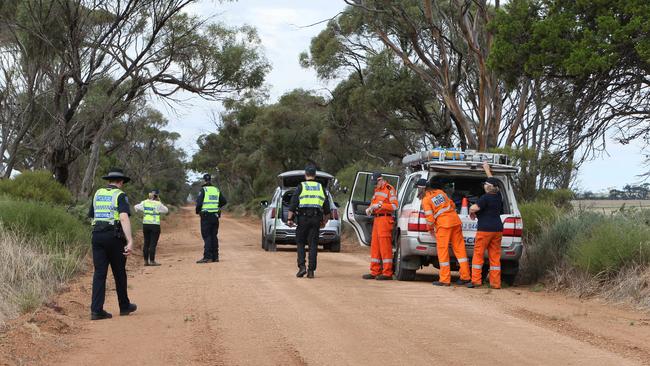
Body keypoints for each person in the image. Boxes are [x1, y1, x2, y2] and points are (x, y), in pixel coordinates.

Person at [87, 168, 137, 320]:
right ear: (121, 182)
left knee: (99, 273)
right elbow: (123, 217)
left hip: (97, 235)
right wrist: (129, 240)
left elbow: (91, 215)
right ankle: (124, 306)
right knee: (119, 272)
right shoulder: (120, 195)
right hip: (114, 237)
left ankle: (96, 310)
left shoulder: (97, 194)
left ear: (109, 181)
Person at [421, 176, 471, 286]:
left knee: (443, 252)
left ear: (422, 189)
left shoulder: (426, 200)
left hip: (444, 225)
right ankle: (466, 277)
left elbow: (429, 219)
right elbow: (452, 204)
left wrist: (430, 230)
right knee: (460, 250)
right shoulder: (440, 192)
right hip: (455, 222)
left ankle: (445, 279)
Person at [287, 165, 331, 279]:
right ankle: (311, 271)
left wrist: (289, 219)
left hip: (302, 219)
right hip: (316, 219)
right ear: (315, 175)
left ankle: (302, 267)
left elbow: (293, 204)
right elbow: (327, 207)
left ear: (305, 174)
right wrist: (324, 221)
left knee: (301, 243)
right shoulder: (320, 187)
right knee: (313, 245)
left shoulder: (301, 186)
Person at [468, 162, 504, 289]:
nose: (484, 185)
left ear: (488, 188)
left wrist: (470, 209)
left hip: (485, 230)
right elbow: (492, 180)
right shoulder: (498, 196)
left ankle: (476, 281)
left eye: (485, 185)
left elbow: (474, 208)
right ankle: (496, 283)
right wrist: (487, 169)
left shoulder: (485, 198)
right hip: (498, 230)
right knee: (495, 257)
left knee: (478, 255)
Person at [362, 172, 399, 281]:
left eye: (376, 183)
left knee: (385, 246)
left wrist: (380, 205)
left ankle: (387, 272)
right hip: (377, 219)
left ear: (380, 180)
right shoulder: (377, 190)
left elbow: (395, 206)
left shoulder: (389, 189)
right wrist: (369, 209)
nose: (375, 185)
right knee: (375, 246)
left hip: (385, 219)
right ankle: (375, 271)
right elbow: (373, 203)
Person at [196, 173, 227, 263]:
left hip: (206, 216)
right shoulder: (216, 190)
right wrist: (217, 206)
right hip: (215, 216)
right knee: (214, 236)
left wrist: (198, 211)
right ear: (210, 180)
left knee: (207, 236)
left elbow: (199, 203)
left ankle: (207, 257)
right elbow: (224, 201)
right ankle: (215, 257)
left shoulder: (203, 190)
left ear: (204, 180)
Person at [134, 190, 169, 266]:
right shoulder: (158, 203)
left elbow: (136, 207)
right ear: (157, 196)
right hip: (155, 225)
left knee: (146, 243)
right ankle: (152, 261)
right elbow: (166, 210)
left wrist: (143, 210)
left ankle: (146, 261)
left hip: (146, 224)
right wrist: (160, 201)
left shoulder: (144, 202)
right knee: (153, 244)